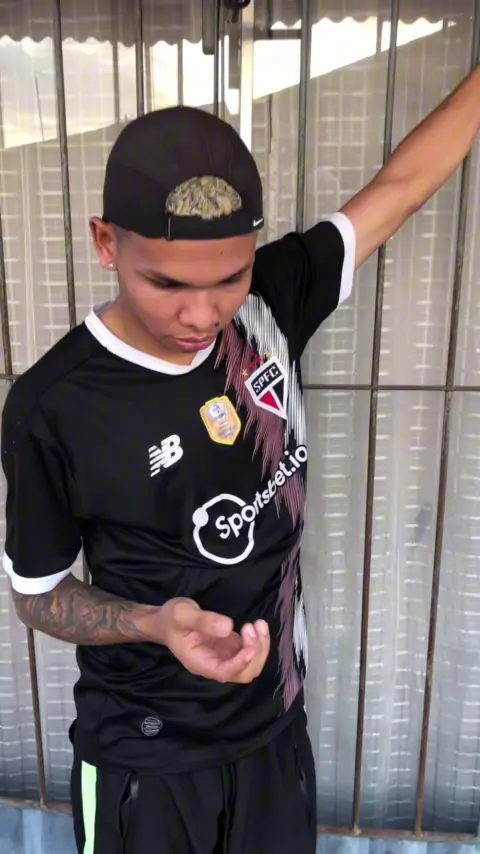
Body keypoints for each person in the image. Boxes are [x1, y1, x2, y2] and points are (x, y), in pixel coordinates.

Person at [2, 63, 480, 854]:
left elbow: (403, 185)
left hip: (274, 732)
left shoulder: (269, 306)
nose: (202, 314)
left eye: (229, 278)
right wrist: (156, 624)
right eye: (166, 284)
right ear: (105, 243)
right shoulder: (54, 405)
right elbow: (39, 593)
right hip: (144, 757)